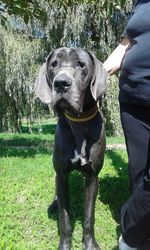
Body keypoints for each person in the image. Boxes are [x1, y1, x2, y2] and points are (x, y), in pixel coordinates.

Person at [103, 0, 150, 249]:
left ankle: (129, 234)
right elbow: (126, 46)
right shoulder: (141, 3)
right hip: (133, 100)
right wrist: (92, 77)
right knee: (139, 173)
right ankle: (142, 238)